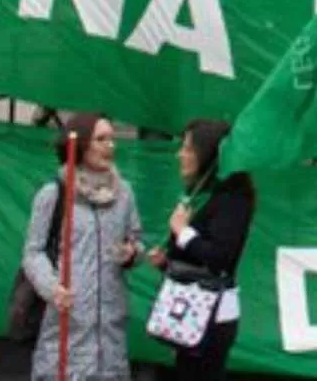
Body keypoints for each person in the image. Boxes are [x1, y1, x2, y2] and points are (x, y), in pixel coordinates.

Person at [23, 113, 143, 381]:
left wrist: (132, 253)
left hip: (110, 331)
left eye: (112, 139)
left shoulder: (124, 193)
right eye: (101, 139)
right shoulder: (54, 194)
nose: (110, 146)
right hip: (68, 322)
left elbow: (136, 239)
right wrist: (52, 287)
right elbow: (33, 252)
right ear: (81, 144)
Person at [149, 119, 256, 381]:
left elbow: (220, 257)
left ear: (207, 153)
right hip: (191, 312)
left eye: (187, 149)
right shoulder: (203, 195)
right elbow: (196, 262)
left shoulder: (233, 199)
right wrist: (166, 262)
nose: (180, 155)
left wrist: (183, 231)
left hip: (212, 317)